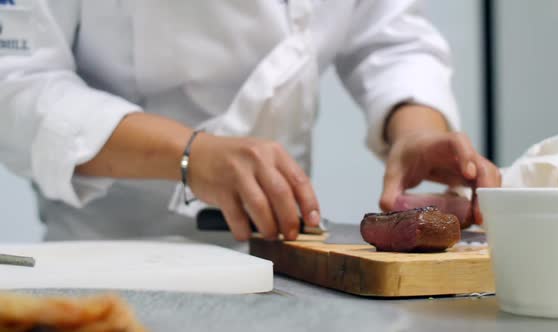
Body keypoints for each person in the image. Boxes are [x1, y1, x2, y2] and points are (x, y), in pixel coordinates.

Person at [0, 0, 500, 243]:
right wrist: (192, 154)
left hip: (286, 262)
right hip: (113, 254)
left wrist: (415, 128)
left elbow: (389, 35)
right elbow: (17, 82)